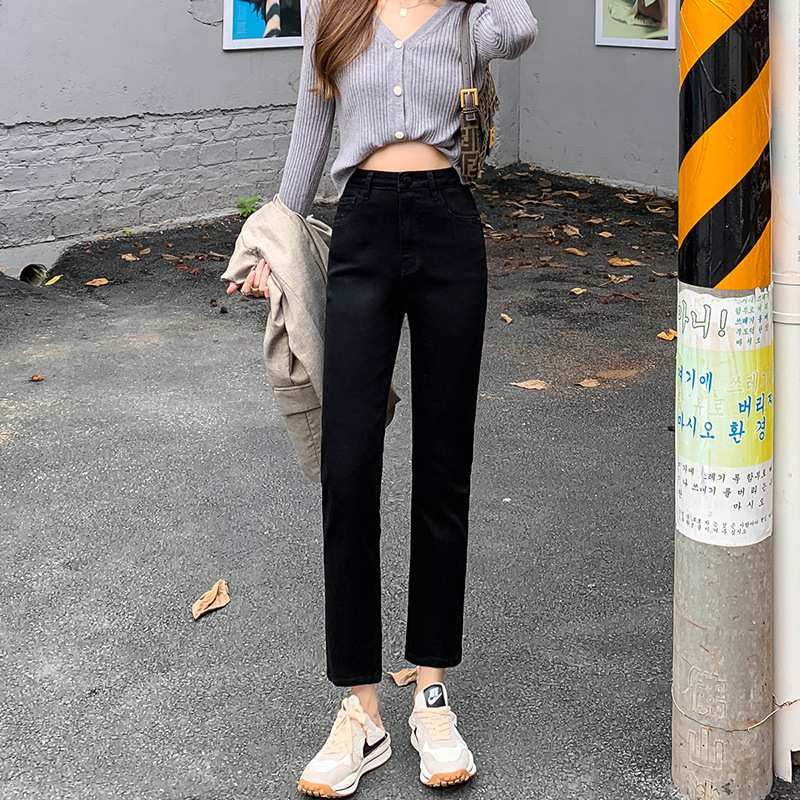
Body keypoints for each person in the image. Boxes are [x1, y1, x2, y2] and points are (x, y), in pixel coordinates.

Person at [227, 0, 537, 795]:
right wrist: (273, 243)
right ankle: (360, 709)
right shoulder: (333, 10)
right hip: (362, 229)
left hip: (448, 229)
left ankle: (431, 691)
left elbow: (521, 28)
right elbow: (310, 129)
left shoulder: (468, 17)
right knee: (348, 464)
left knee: (444, 465)